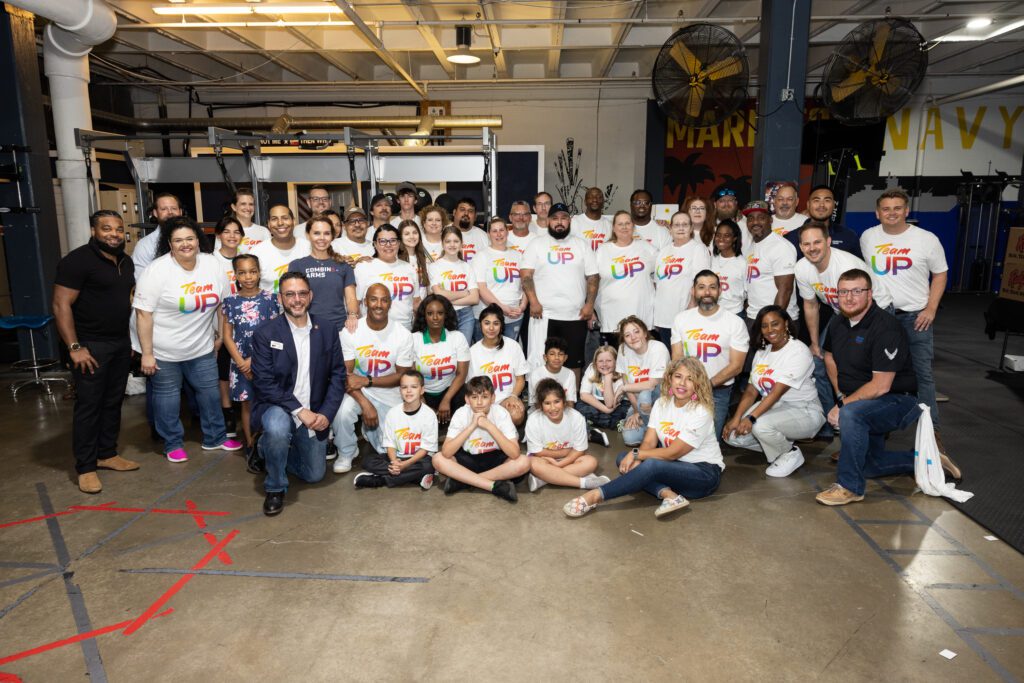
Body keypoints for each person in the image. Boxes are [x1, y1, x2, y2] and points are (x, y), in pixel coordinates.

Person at [816, 268, 960, 505]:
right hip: (864, 400)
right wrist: (841, 393)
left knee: (851, 414)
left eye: (856, 291)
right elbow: (829, 357)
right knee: (871, 465)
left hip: (898, 400)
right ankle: (927, 460)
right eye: (843, 292)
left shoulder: (886, 327)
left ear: (870, 295)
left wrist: (843, 404)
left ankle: (849, 488)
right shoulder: (838, 323)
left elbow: (881, 386)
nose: (849, 298)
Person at [135, 216, 243, 462]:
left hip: (202, 346)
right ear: (170, 244)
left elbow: (222, 306)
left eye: (190, 238)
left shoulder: (212, 264)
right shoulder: (157, 270)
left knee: (210, 394)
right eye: (178, 240)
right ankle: (172, 443)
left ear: (198, 239)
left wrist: (218, 336)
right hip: (164, 351)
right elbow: (143, 314)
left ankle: (215, 437)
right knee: (168, 398)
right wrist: (147, 353)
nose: (186, 244)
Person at [563, 358, 724, 519]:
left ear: (698, 384)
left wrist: (636, 454)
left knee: (647, 463)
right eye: (678, 376)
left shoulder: (701, 412)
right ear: (670, 378)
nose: (682, 383)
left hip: (703, 474)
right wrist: (636, 457)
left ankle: (595, 496)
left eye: (690, 379)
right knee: (624, 459)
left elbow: (672, 453)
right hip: (674, 467)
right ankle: (669, 495)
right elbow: (648, 442)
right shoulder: (661, 404)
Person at [53, 210, 139, 494]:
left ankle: (107, 453)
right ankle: (86, 467)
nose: (113, 234)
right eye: (106, 228)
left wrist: (128, 342)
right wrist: (75, 347)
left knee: (113, 401)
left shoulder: (124, 262)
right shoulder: (77, 261)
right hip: (89, 345)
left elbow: (122, 303)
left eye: (117, 229)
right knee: (89, 405)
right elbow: (61, 305)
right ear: (94, 231)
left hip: (118, 342)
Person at [250, 272, 347, 516]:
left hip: (314, 411)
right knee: (277, 428)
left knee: (314, 474)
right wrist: (298, 410)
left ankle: (267, 450)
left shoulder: (326, 329)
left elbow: (337, 375)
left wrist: (326, 413)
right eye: (290, 294)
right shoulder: (266, 333)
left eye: (302, 293)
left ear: (310, 296)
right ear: (281, 298)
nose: (296, 299)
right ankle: (275, 486)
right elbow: (264, 383)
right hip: (279, 406)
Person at [859, 188, 949, 447]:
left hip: (915, 317)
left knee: (922, 376)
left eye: (897, 208)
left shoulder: (926, 239)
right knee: (874, 377)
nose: (892, 213)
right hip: (879, 318)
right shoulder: (868, 237)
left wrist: (931, 309)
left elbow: (940, 274)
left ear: (907, 211)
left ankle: (933, 436)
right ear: (877, 213)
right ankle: (873, 434)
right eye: (886, 209)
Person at [795, 223, 891, 438]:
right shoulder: (802, 268)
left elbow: (863, 305)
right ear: (801, 246)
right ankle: (833, 422)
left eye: (817, 242)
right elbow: (811, 306)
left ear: (828, 242)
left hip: (874, 311)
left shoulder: (845, 266)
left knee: (864, 369)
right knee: (818, 362)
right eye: (807, 244)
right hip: (844, 314)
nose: (812, 248)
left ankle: (870, 427)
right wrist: (815, 344)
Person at [723, 306, 824, 477]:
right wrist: (737, 418)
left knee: (760, 426)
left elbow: (777, 392)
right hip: (774, 407)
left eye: (775, 324)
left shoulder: (798, 351)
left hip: (805, 410)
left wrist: (751, 418)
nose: (770, 330)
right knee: (733, 436)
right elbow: (750, 391)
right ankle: (780, 441)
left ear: (786, 324)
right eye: (764, 326)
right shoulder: (763, 351)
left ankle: (789, 453)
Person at [332, 283, 414, 474]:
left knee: (396, 451)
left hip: (389, 391)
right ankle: (347, 451)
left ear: (390, 304)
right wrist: (365, 404)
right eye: (374, 299)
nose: (379, 304)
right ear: (365, 303)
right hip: (357, 391)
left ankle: (369, 432)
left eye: (384, 300)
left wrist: (368, 380)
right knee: (342, 411)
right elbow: (347, 376)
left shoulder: (402, 334)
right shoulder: (351, 332)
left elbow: (402, 375)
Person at [521, 202, 599, 380]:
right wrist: (533, 301)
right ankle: (540, 401)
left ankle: (571, 401)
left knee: (573, 362)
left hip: (575, 315)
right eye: (555, 218)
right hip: (543, 315)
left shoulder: (581, 245)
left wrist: (590, 305)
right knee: (541, 362)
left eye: (564, 218)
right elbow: (526, 275)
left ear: (570, 221)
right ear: (548, 221)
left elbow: (593, 277)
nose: (559, 222)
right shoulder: (537, 244)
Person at [670, 270, 749, 441]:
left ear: (720, 291)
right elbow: (677, 359)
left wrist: (705, 385)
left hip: (717, 392)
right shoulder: (681, 319)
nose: (707, 292)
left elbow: (736, 366)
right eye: (701, 287)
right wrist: (688, 386)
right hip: (685, 389)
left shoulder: (735, 323)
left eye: (712, 287)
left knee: (708, 442)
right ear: (693, 291)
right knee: (677, 437)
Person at [432, 376, 528, 502]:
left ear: (493, 398)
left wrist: (489, 426)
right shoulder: (461, 413)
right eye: (474, 397)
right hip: (468, 459)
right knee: (438, 459)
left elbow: (514, 453)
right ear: (467, 399)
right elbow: (447, 452)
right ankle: (493, 486)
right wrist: (471, 426)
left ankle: (464, 481)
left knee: (524, 462)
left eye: (484, 397)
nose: (479, 402)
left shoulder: (501, 413)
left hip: (496, 460)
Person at [221, 253, 279, 457]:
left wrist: (254, 361)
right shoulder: (230, 302)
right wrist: (241, 363)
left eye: (253, 271)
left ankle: (269, 441)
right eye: (242, 273)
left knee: (268, 400)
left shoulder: (271, 300)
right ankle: (251, 443)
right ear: (235, 275)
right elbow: (227, 336)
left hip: (266, 359)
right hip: (240, 360)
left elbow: (277, 332)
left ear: (259, 272)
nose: (248, 277)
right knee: (247, 403)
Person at [353, 369, 437, 490]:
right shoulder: (393, 413)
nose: (408, 391)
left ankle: (380, 480)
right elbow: (390, 443)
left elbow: (425, 449)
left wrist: (405, 465)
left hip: (419, 458)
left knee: (429, 465)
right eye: (404, 387)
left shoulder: (429, 415)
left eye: (413, 387)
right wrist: (395, 462)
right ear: (400, 390)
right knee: (368, 461)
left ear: (422, 390)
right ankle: (416, 477)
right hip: (397, 457)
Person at [524, 379, 608, 493]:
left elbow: (580, 450)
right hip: (544, 460)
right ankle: (583, 483)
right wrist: (566, 451)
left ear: (564, 401)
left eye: (557, 401)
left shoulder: (576, 417)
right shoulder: (534, 420)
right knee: (533, 464)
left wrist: (560, 464)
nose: (553, 408)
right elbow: (538, 452)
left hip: (569, 460)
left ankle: (543, 479)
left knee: (591, 461)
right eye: (547, 403)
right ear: (541, 405)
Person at [289, 214, 359, 334]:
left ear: (332, 236)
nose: (322, 238)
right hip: (307, 329)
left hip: (339, 329)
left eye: (326, 233)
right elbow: (292, 299)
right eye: (316, 233)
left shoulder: (344, 265)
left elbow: (351, 298)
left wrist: (353, 315)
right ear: (308, 235)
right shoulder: (297, 265)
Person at [597, 210, 657, 343]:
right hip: (611, 317)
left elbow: (661, 274)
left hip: (641, 316)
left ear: (633, 226)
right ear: (613, 228)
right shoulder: (602, 250)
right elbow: (593, 281)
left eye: (627, 223)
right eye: (620, 224)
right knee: (614, 360)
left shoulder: (647, 248)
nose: (624, 227)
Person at [652, 210, 711, 345]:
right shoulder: (664, 251)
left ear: (691, 228)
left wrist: (692, 307)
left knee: (686, 360)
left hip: (686, 314)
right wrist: (656, 317)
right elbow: (657, 283)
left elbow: (701, 282)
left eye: (685, 224)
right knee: (670, 360)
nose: (680, 228)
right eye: (676, 225)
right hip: (663, 317)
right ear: (670, 228)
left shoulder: (698, 249)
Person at [411, 294, 469, 424]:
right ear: (424, 316)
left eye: (440, 313)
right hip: (422, 392)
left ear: (446, 315)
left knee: (464, 393)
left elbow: (461, 374)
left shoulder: (457, 337)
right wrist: (421, 400)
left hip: (450, 392)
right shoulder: (414, 339)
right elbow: (411, 376)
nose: (435, 318)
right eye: (430, 313)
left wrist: (446, 400)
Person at [469, 304, 529, 426]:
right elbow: (472, 386)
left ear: (501, 326)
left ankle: (508, 438)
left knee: (516, 415)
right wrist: (485, 403)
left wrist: (513, 396)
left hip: (507, 398)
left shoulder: (513, 346)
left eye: (496, 323)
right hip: (484, 401)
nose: (491, 328)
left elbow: (520, 379)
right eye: (487, 323)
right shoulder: (472, 352)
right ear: (480, 324)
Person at [354, 224, 421, 330]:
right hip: (373, 330)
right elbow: (356, 303)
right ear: (375, 244)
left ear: (399, 243)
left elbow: (416, 302)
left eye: (393, 240)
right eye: (383, 241)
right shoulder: (363, 268)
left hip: (405, 329)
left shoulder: (409, 268)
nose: (388, 245)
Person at [212, 215, 244, 436]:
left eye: (236, 232)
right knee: (224, 372)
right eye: (227, 232)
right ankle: (227, 414)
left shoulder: (246, 259)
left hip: (247, 325)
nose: (232, 236)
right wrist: (219, 334)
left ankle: (247, 412)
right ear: (218, 235)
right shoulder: (210, 261)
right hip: (220, 326)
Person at [616, 316, 670, 446]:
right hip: (639, 404)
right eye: (627, 335)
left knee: (645, 394)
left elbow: (652, 384)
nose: (633, 337)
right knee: (630, 438)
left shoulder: (658, 348)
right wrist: (636, 411)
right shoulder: (623, 350)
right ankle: (653, 429)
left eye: (636, 331)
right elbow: (626, 381)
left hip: (661, 399)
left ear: (645, 333)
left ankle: (653, 431)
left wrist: (623, 388)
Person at [743, 200, 798, 325]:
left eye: (761, 218)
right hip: (754, 316)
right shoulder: (752, 246)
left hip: (775, 320)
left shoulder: (780, 246)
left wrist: (773, 323)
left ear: (771, 220)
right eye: (750, 218)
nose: (755, 222)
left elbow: (785, 289)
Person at [473, 217, 527, 343]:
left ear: (507, 232)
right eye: (494, 231)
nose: (498, 234)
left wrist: (522, 306)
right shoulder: (481, 256)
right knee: (486, 359)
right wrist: (501, 308)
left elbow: (527, 284)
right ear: (488, 234)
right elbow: (481, 288)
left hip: (514, 317)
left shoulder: (518, 256)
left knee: (508, 357)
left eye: (501, 230)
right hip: (488, 317)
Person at [427, 226, 480, 342]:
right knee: (445, 351)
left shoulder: (467, 267)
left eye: (456, 241)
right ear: (442, 244)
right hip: (443, 314)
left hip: (466, 315)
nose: (452, 245)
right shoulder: (434, 267)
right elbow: (439, 294)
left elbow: (475, 298)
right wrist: (464, 293)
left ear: (461, 244)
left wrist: (449, 299)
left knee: (464, 351)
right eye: (448, 241)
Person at [784, 185, 862, 259]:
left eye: (827, 200)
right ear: (808, 205)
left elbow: (859, 269)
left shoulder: (848, 236)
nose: (821, 205)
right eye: (816, 200)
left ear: (834, 205)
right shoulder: (791, 239)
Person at [575, 345, 630, 446]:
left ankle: (592, 422)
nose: (604, 364)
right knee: (579, 406)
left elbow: (610, 404)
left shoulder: (622, 374)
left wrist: (608, 378)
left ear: (616, 362)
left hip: (616, 404)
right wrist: (606, 410)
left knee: (625, 410)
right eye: (600, 361)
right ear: (595, 363)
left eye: (609, 360)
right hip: (596, 403)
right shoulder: (591, 368)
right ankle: (612, 423)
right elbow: (584, 395)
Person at [250, 204, 311, 295]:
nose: (280, 223)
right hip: (270, 308)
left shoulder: (308, 248)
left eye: (285, 218)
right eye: (274, 219)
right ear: (269, 224)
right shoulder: (257, 253)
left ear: (293, 221)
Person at [132, 193, 183, 276]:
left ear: (180, 212)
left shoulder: (192, 240)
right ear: (155, 213)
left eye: (174, 208)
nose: (170, 212)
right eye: (164, 209)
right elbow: (141, 279)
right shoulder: (144, 245)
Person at [527, 337, 577, 411]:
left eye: (560, 354)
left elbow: (570, 403)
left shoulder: (570, 374)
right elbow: (537, 404)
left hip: (562, 412)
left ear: (565, 358)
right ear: (545, 357)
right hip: (540, 412)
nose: (556, 357)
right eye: (552, 354)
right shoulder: (536, 374)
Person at [711, 219, 747, 316]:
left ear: (734, 238)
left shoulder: (743, 263)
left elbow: (749, 293)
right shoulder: (711, 260)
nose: (721, 238)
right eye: (718, 235)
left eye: (727, 235)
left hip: (735, 313)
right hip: (713, 312)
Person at [230, 188, 271, 252]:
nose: (248, 208)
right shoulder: (225, 231)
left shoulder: (263, 231)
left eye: (251, 204)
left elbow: (269, 256)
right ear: (234, 207)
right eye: (243, 204)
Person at [571, 186, 612, 250]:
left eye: (599, 197)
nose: (595, 200)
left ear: (603, 202)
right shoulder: (574, 222)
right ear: (585, 202)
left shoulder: (609, 225)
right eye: (590, 197)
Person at [452, 197, 489, 262]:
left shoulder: (484, 237)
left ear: (475, 217)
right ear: (454, 212)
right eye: (462, 210)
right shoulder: (443, 233)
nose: (466, 213)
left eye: (470, 211)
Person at [398, 218, 431, 290]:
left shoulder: (424, 259)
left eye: (415, 233)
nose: (412, 236)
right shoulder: (396, 260)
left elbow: (428, 289)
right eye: (407, 234)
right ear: (400, 237)